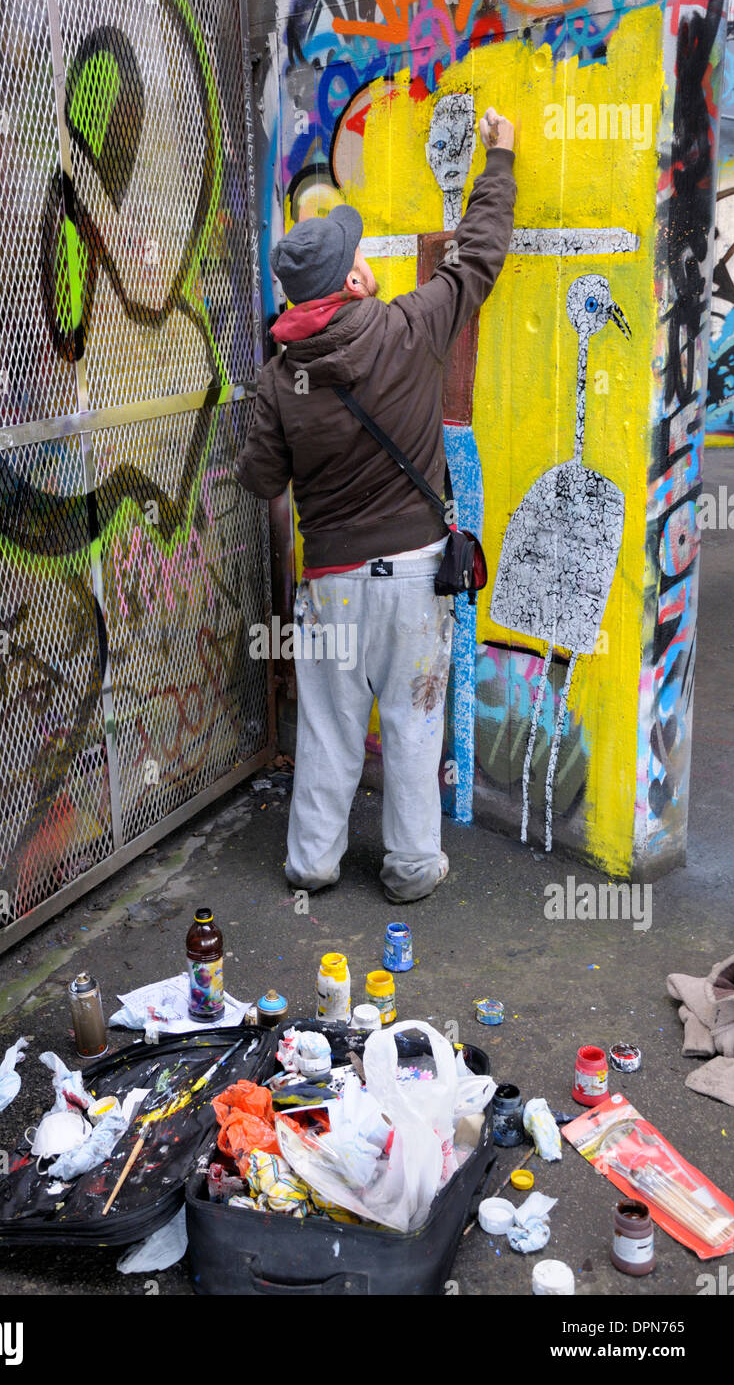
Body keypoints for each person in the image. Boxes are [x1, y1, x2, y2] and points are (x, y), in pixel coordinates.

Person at [235, 108, 516, 903]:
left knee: (327, 731)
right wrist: (498, 161)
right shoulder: (407, 328)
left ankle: (311, 865)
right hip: (414, 579)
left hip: (329, 582)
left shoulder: (277, 379)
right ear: (351, 280)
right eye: (357, 256)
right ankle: (411, 868)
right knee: (413, 724)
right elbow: (476, 261)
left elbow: (260, 481)